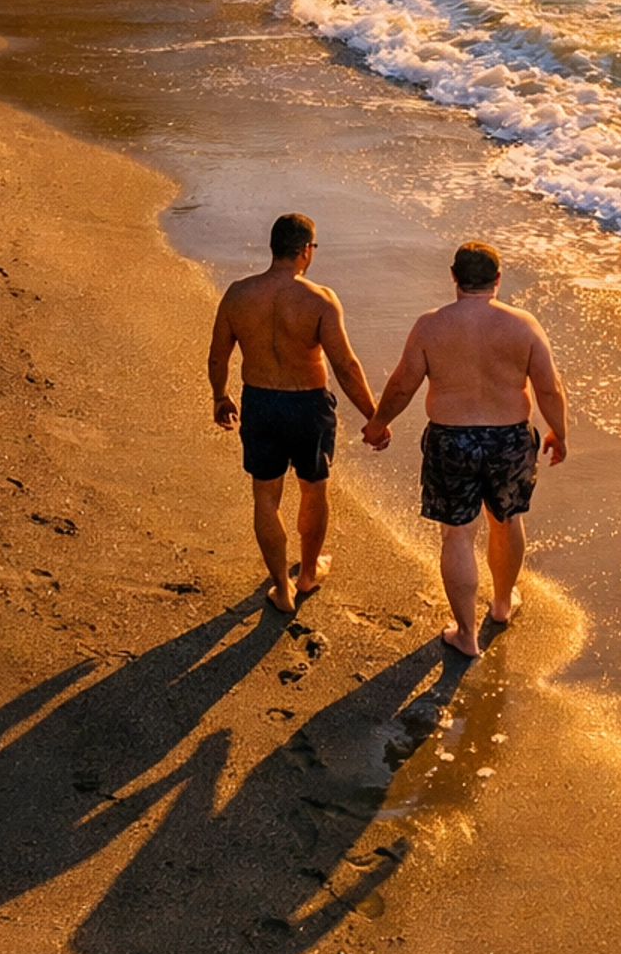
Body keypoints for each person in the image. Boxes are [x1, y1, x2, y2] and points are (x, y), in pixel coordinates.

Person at [363, 240, 567, 658]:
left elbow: (403, 384)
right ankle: (503, 604)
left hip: (451, 437)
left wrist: (378, 424)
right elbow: (549, 386)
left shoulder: (431, 325)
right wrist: (558, 432)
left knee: (457, 534)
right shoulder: (523, 325)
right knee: (506, 520)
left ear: (454, 277)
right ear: (498, 278)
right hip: (509, 438)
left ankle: (466, 635)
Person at [208, 213, 378, 613]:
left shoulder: (237, 294)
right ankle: (306, 576)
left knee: (266, 497)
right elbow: (346, 366)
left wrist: (220, 396)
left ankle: (281, 590)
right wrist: (374, 416)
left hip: (261, 403)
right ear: (305, 250)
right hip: (307, 406)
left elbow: (218, 355)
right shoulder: (319, 299)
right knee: (313, 488)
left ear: (274, 247)